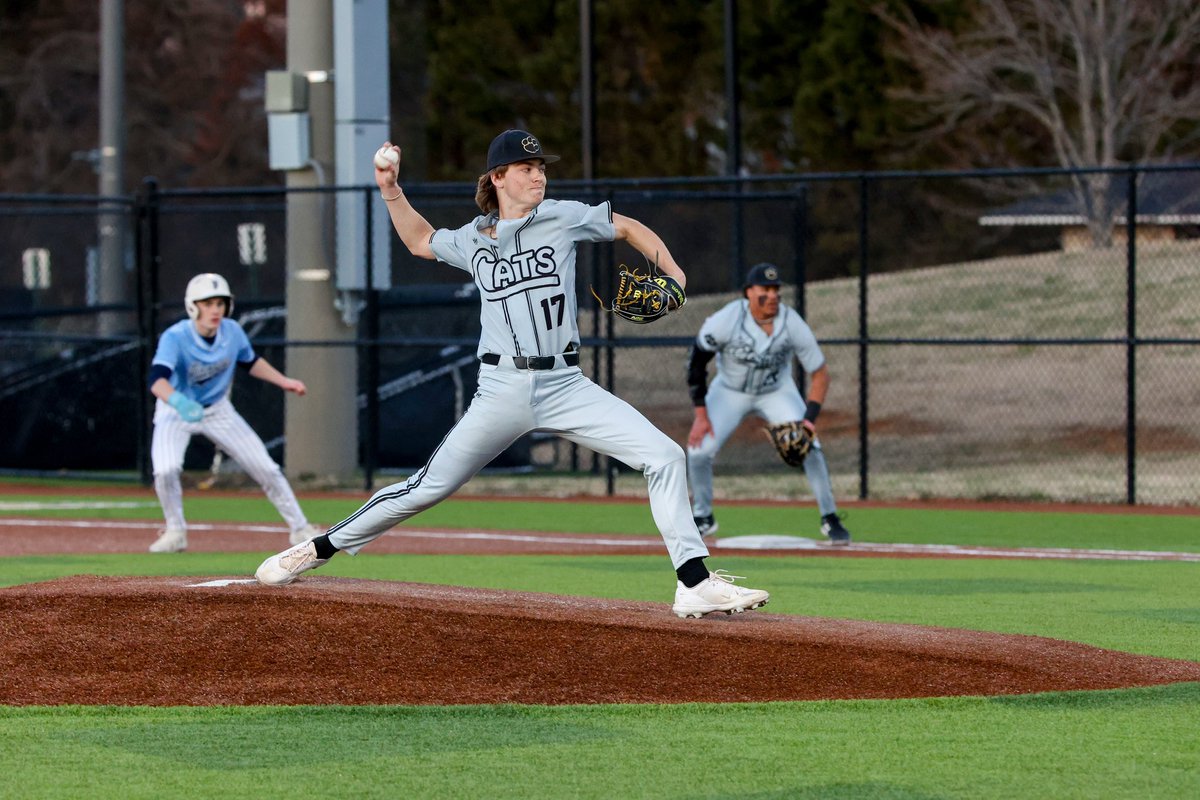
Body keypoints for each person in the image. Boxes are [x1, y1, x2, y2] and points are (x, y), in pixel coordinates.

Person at [255, 129, 770, 619]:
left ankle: (694, 582)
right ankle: (318, 548)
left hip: (566, 384)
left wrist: (674, 274)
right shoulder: (473, 239)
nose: (538, 176)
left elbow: (629, 227)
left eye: (541, 167)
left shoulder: (562, 217)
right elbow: (420, 241)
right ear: (498, 177)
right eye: (526, 168)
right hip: (500, 389)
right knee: (426, 487)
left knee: (664, 456)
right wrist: (390, 190)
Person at [146, 273, 319, 552]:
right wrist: (179, 403)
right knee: (166, 470)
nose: (215, 310)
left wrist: (284, 381)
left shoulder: (232, 332)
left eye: (220, 303)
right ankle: (176, 531)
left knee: (266, 467)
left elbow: (250, 362)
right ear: (193, 306)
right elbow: (156, 380)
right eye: (208, 303)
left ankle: (300, 529)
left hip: (217, 409)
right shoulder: (175, 337)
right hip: (175, 409)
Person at [686, 262, 851, 545]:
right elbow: (697, 364)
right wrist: (701, 415)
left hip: (777, 391)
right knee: (698, 451)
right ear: (749, 292)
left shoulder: (791, 323)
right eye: (765, 289)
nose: (772, 295)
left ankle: (830, 517)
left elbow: (821, 375)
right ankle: (703, 516)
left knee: (810, 446)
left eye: (776, 289)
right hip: (729, 391)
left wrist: (808, 421)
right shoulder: (726, 319)